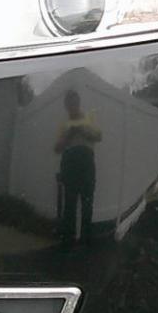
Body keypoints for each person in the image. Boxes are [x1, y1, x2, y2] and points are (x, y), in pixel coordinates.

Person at [53, 89, 101, 244]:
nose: (72, 106)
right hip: (70, 163)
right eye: (69, 104)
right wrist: (69, 136)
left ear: (79, 102)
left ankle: (86, 240)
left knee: (87, 203)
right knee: (70, 204)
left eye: (75, 103)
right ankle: (69, 240)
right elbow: (57, 149)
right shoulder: (63, 124)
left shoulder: (89, 118)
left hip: (86, 163)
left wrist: (83, 131)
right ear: (66, 106)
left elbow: (99, 136)